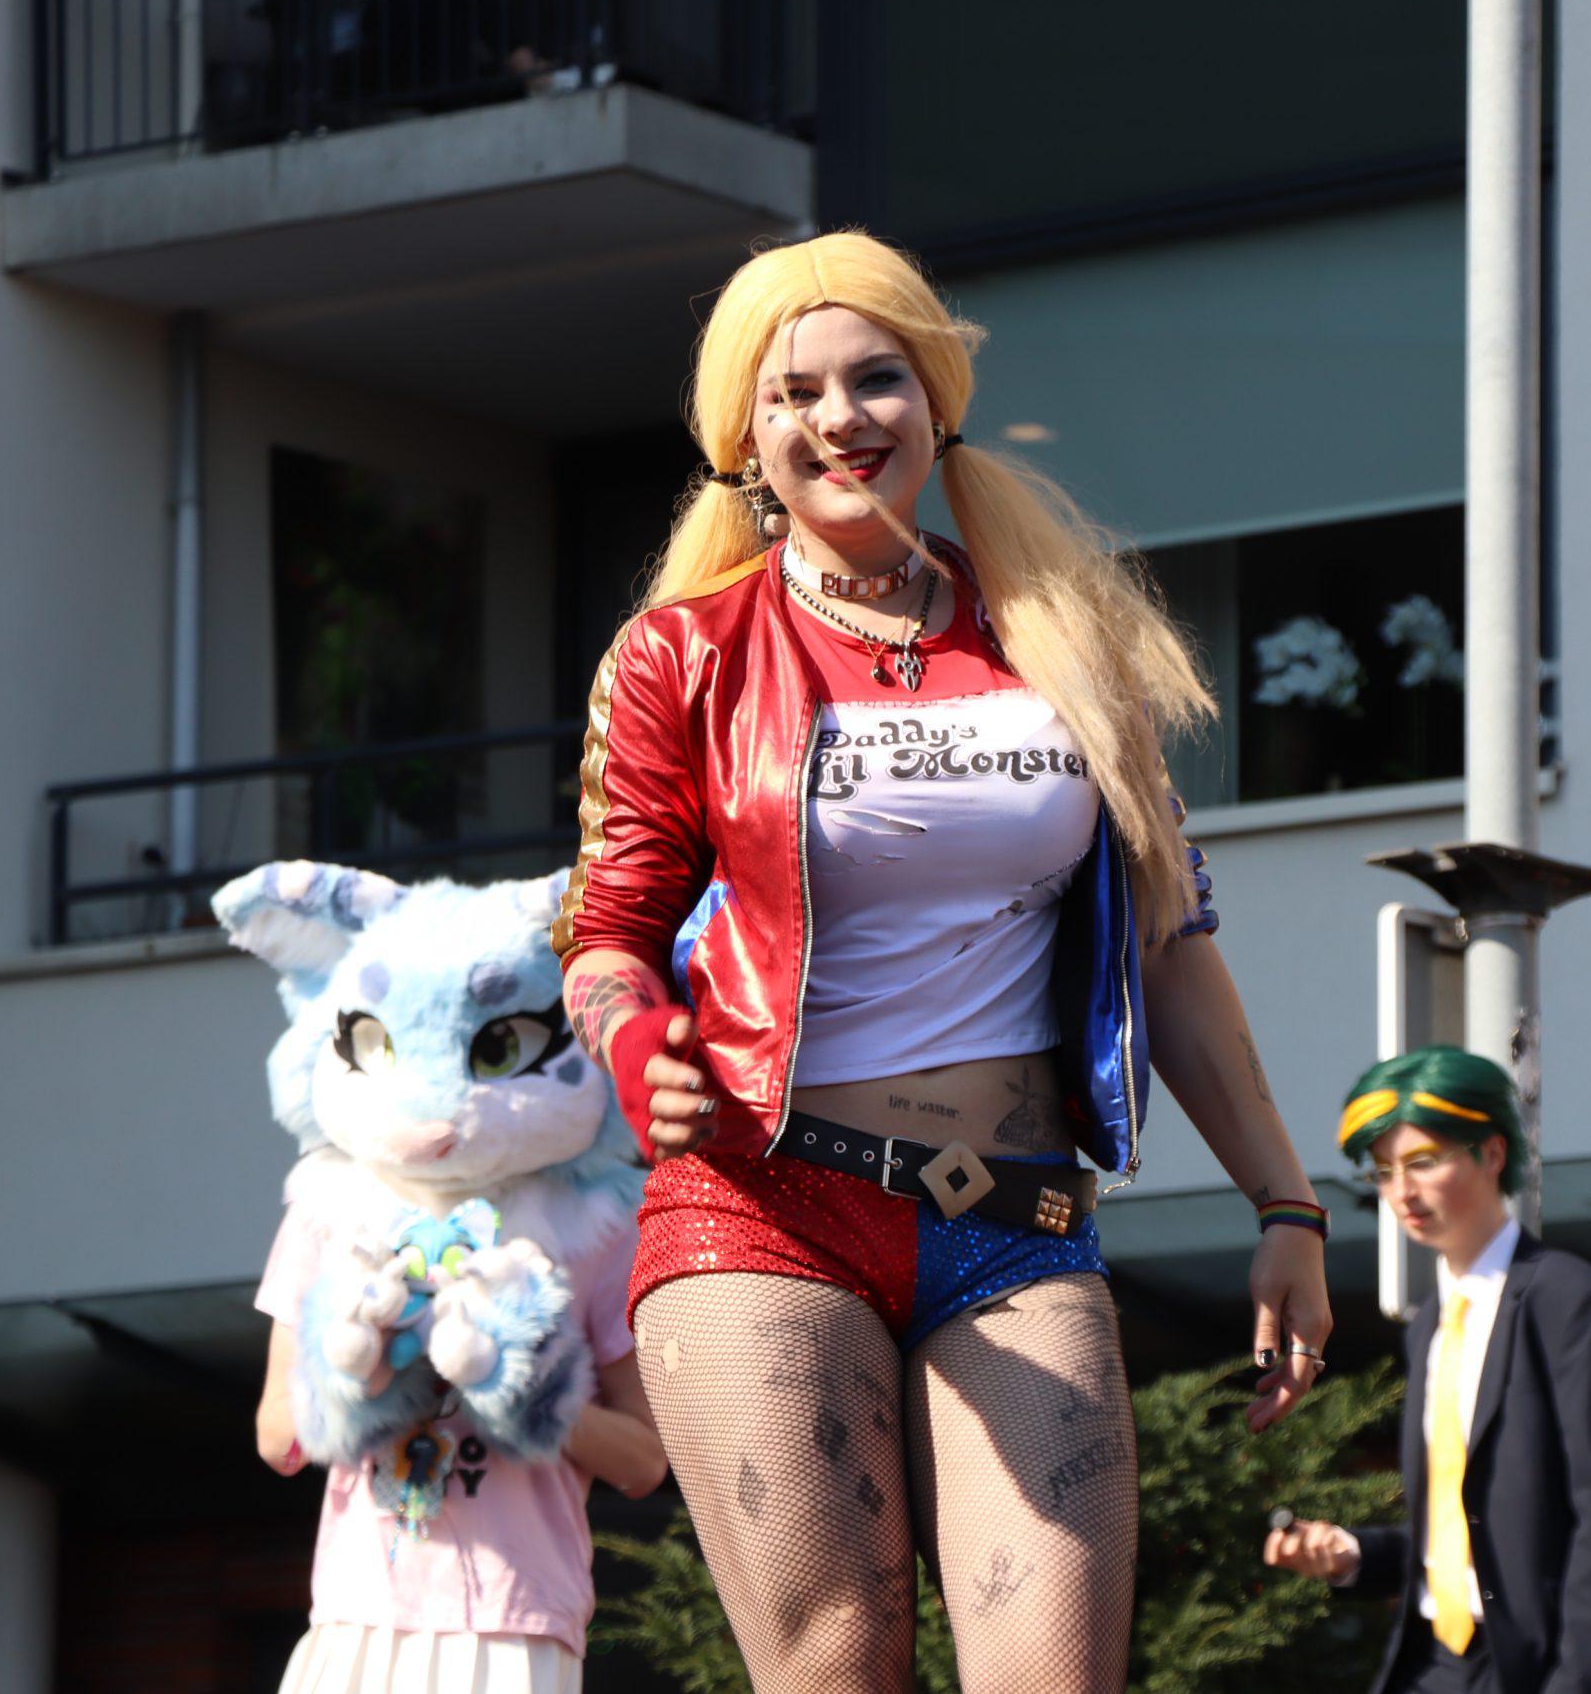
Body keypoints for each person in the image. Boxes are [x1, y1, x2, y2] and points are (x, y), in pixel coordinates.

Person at [551, 228, 1334, 1691]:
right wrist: (636, 1042)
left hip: (1014, 1216)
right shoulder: (683, 654)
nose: (839, 418)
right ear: (745, 437)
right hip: (763, 1206)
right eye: (792, 394)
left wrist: (1286, 1200)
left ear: (934, 401)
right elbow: (608, 935)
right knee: (839, 1660)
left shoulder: (1063, 640)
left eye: (877, 379)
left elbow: (1169, 942)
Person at [1263, 1048, 1591, 1694]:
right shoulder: (1429, 1324)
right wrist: (1354, 1552)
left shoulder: (1571, 1301)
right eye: (1384, 1171)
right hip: (1437, 1663)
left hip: (1543, 1667)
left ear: (1492, 1153)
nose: (1401, 1192)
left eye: (1423, 1162)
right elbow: (1469, 1534)